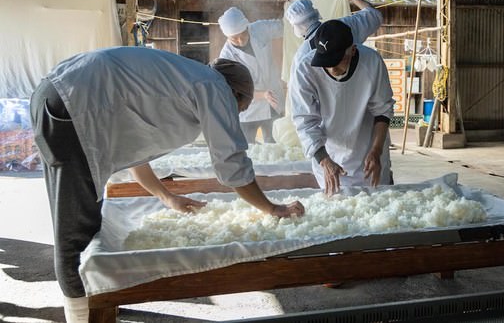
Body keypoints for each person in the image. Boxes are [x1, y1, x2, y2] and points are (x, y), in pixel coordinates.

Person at [30, 47, 304, 322]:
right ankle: (81, 315)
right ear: (237, 94)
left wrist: (166, 196)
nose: (236, 116)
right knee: (75, 232)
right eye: (240, 109)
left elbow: (134, 147)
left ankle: (93, 301)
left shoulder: (189, 80)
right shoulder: (214, 87)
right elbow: (231, 162)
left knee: (86, 216)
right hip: (72, 104)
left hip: (66, 97)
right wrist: (271, 208)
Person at [290, 20, 395, 195]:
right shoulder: (305, 70)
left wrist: (376, 151)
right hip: (330, 155)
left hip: (370, 152)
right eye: (326, 62)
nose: (331, 68)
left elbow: (383, 112)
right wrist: (323, 160)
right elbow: (304, 121)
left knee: (376, 206)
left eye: (337, 61)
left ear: (352, 50)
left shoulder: (372, 62)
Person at [218, 7, 285, 144]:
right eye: (234, 38)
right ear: (227, 36)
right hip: (248, 109)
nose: (240, 40)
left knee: (275, 146)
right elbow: (235, 90)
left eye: (242, 34)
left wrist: (290, 9)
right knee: (248, 148)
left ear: (247, 27)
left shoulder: (259, 29)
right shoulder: (226, 57)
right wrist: (262, 95)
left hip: (273, 101)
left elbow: (286, 27)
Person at [285, 0, 382, 73]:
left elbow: (297, 90)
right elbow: (374, 15)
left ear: (296, 26)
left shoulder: (301, 56)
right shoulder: (344, 26)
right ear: (315, 13)